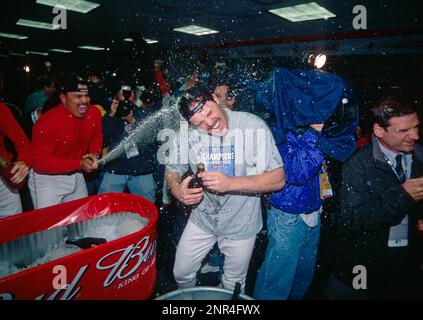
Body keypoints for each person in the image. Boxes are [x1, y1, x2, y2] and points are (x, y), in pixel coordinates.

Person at [165, 87, 285, 292]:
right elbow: (172, 171)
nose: (209, 123)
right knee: (181, 272)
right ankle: (188, 302)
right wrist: (177, 191)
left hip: (241, 222)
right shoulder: (187, 134)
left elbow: (278, 179)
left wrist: (231, 183)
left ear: (214, 98)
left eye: (210, 113)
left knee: (232, 283)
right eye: (200, 123)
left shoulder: (252, 126)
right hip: (203, 218)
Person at [326, 95, 423, 299]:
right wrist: (403, 196)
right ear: (379, 130)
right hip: (363, 266)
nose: (414, 135)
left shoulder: (419, 156)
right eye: (403, 130)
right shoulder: (357, 165)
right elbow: (353, 219)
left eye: (416, 127)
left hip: (404, 263)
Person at [29, 74, 102, 209]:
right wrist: (79, 163)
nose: (84, 101)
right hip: (47, 179)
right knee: (50, 227)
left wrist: (94, 154)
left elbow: (96, 135)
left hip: (77, 174)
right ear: (63, 98)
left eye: (87, 96)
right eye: (78, 96)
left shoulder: (94, 113)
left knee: (80, 220)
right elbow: (39, 163)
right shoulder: (47, 123)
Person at [97, 85, 158, 203]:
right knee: (105, 206)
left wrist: (133, 121)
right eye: (123, 92)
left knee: (146, 208)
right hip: (115, 168)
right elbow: (102, 140)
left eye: (129, 93)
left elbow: (152, 139)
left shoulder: (144, 113)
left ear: (135, 95)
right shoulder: (111, 115)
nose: (126, 96)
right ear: (116, 95)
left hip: (141, 169)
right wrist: (111, 115)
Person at [0, 102, 31, 216]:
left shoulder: (1, 108)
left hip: (4, 177)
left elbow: (23, 143)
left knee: (14, 226)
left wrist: (24, 162)